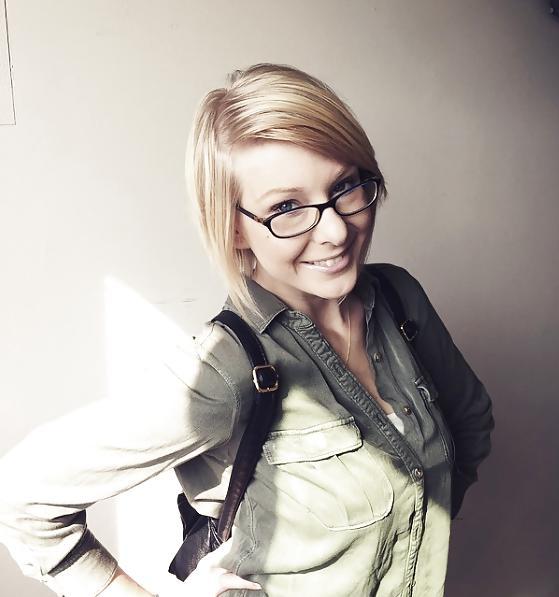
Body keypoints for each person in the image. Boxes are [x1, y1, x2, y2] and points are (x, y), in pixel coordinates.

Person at [0, 63, 494, 596]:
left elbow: (470, 422)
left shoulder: (399, 298)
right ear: (234, 227)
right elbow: (21, 498)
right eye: (286, 207)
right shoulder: (222, 371)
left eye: (346, 186)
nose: (335, 230)